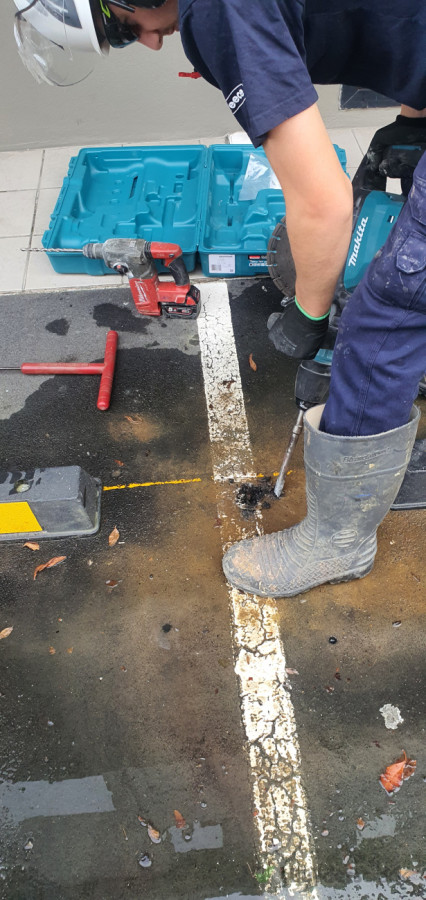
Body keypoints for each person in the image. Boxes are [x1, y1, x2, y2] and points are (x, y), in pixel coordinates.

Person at [13, 1, 426, 597]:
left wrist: (311, 315)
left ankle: (339, 543)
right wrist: (416, 117)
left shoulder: (219, 11)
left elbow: (324, 205)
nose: (150, 43)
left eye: (123, 30)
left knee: (387, 310)